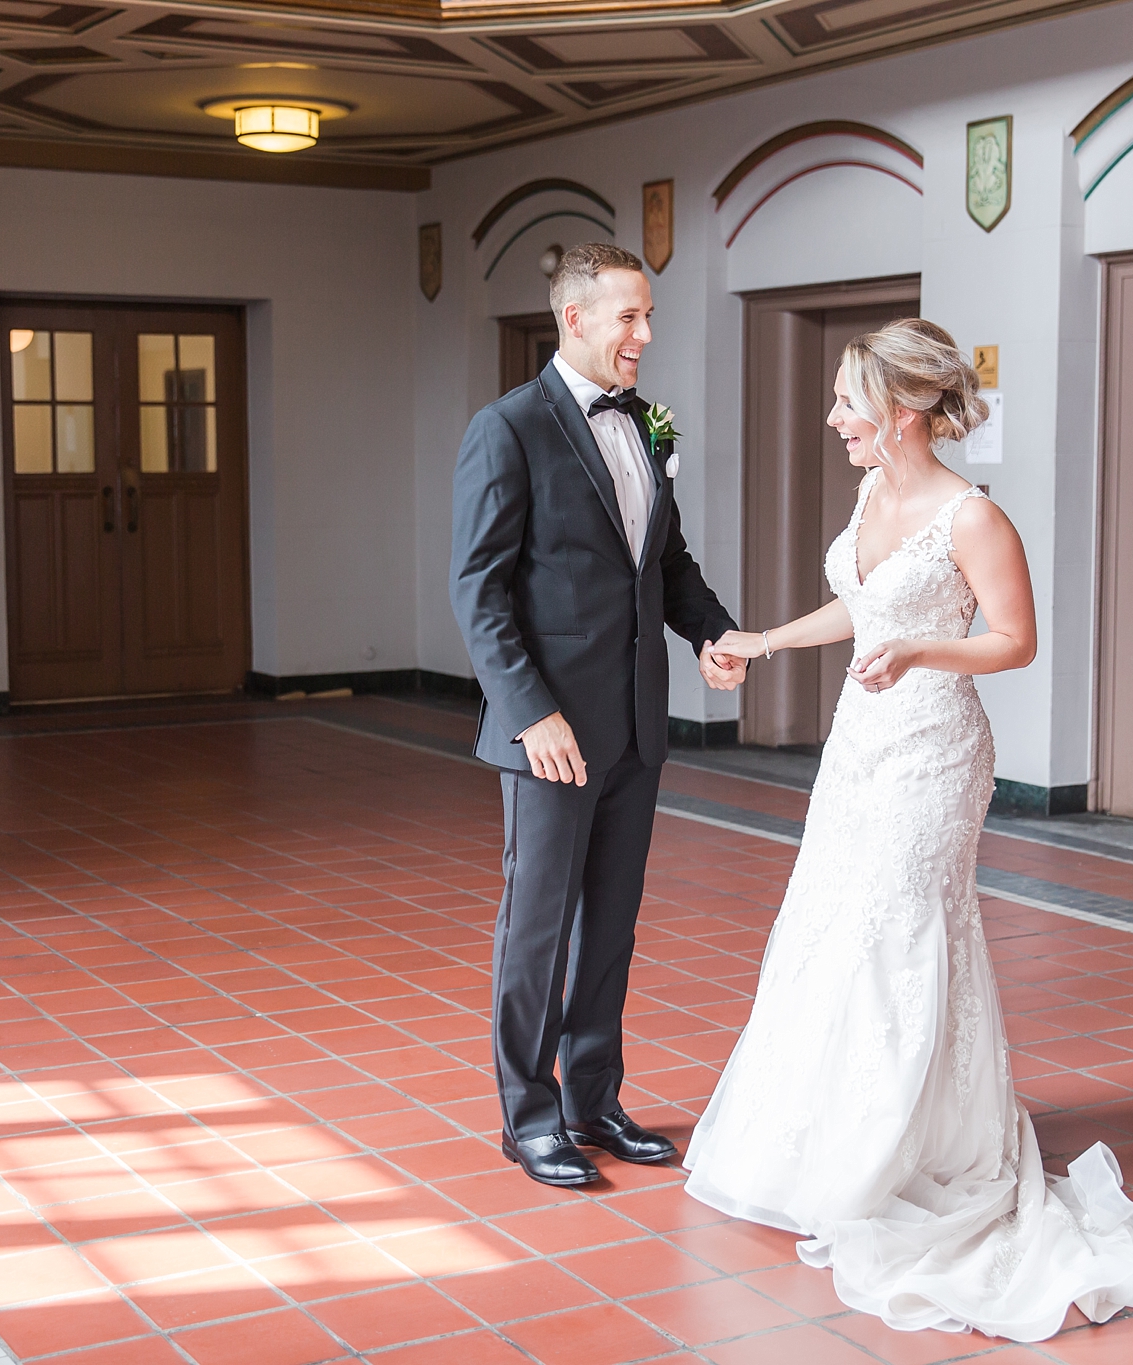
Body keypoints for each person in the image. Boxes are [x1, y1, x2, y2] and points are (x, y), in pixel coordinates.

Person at [685, 319, 1133, 1340]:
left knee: (903, 932)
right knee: (833, 926)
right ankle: (821, 1144)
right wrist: (761, 641)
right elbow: (858, 610)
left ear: (901, 413)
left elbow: (1013, 641)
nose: (833, 421)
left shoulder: (970, 517)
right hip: (858, 747)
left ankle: (907, 1152)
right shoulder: (873, 494)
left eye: (845, 405)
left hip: (933, 756)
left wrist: (920, 650)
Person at [450, 243, 743, 1188]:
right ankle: (529, 1116)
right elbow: (478, 592)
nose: (645, 335)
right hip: (551, 735)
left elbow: (663, 562)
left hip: (635, 725)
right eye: (629, 317)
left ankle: (592, 1095)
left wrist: (712, 632)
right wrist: (531, 713)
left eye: (648, 315)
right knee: (536, 928)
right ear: (574, 319)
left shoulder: (645, 430)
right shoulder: (506, 429)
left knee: (610, 924)